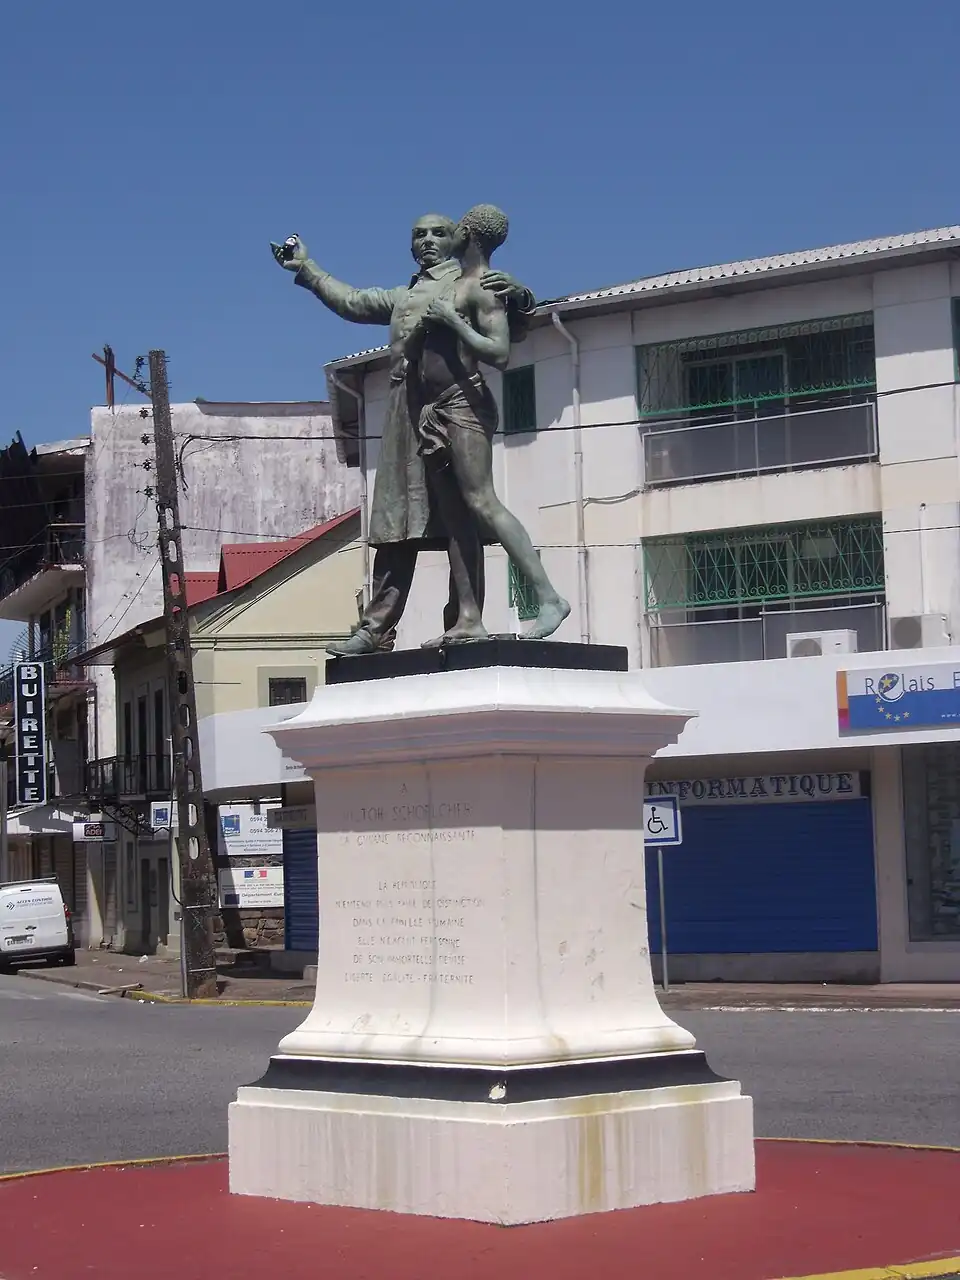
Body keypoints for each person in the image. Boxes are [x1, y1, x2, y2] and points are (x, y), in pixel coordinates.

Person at [271, 215, 535, 655]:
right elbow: (353, 301)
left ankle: (465, 621)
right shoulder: (404, 296)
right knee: (394, 522)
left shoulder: (473, 281)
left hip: (452, 408)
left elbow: (508, 328)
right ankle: (376, 627)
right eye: (419, 234)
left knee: (461, 520)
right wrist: (307, 268)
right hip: (403, 416)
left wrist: (522, 296)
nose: (428, 240)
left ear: (456, 239)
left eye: (437, 232)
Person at [403, 204, 570, 644]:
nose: (447, 234)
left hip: (464, 404)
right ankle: (469, 618)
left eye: (455, 228)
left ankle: (548, 597)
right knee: (455, 516)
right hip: (433, 410)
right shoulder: (454, 283)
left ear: (470, 236)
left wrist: (452, 321)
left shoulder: (483, 288)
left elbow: (499, 352)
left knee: (482, 501)